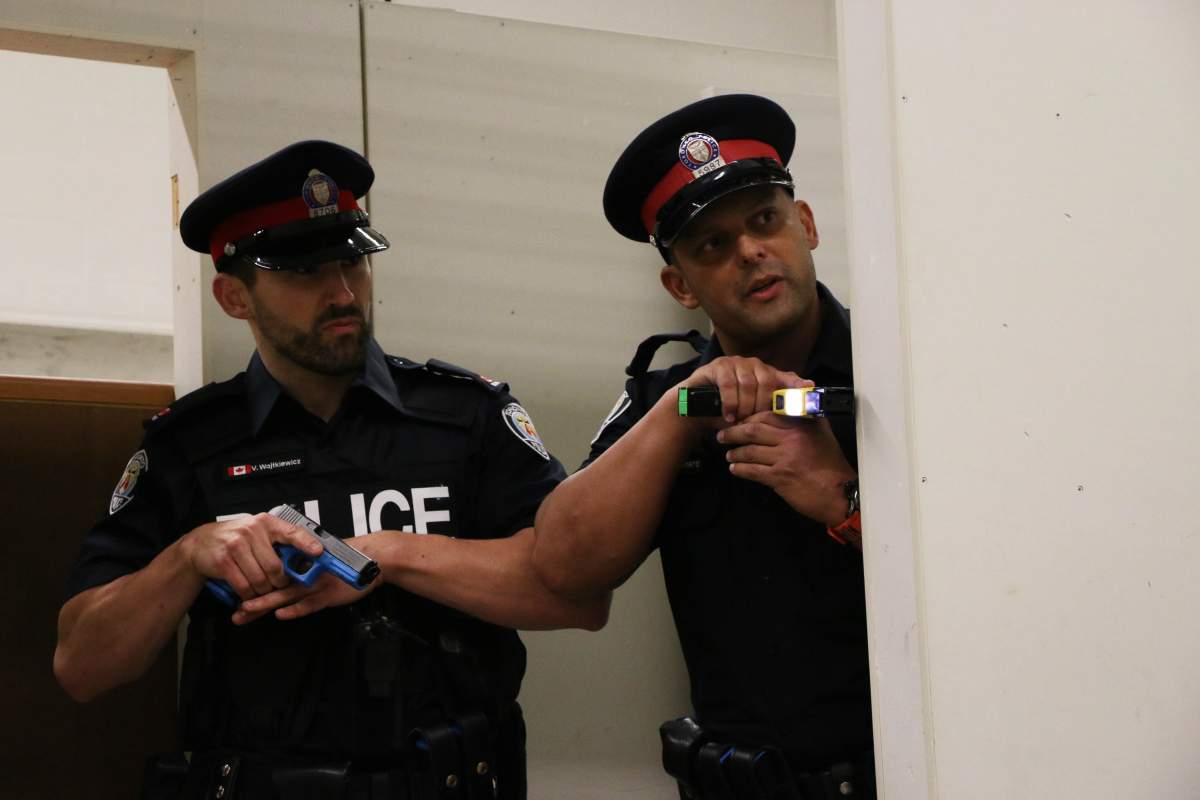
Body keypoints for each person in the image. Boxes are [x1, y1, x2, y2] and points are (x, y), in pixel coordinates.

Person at [53, 140, 606, 800]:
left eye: (353, 262)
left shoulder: (466, 416)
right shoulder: (188, 446)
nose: (343, 293)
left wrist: (388, 556)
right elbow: (82, 666)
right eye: (304, 271)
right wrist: (186, 557)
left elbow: (577, 595)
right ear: (234, 297)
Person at [530, 95, 873, 799]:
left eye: (765, 221)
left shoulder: (906, 373)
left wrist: (845, 500)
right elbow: (564, 570)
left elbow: (996, 564)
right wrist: (681, 414)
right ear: (680, 285)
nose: (750, 252)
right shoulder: (668, 402)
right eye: (713, 245)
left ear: (806, 226)